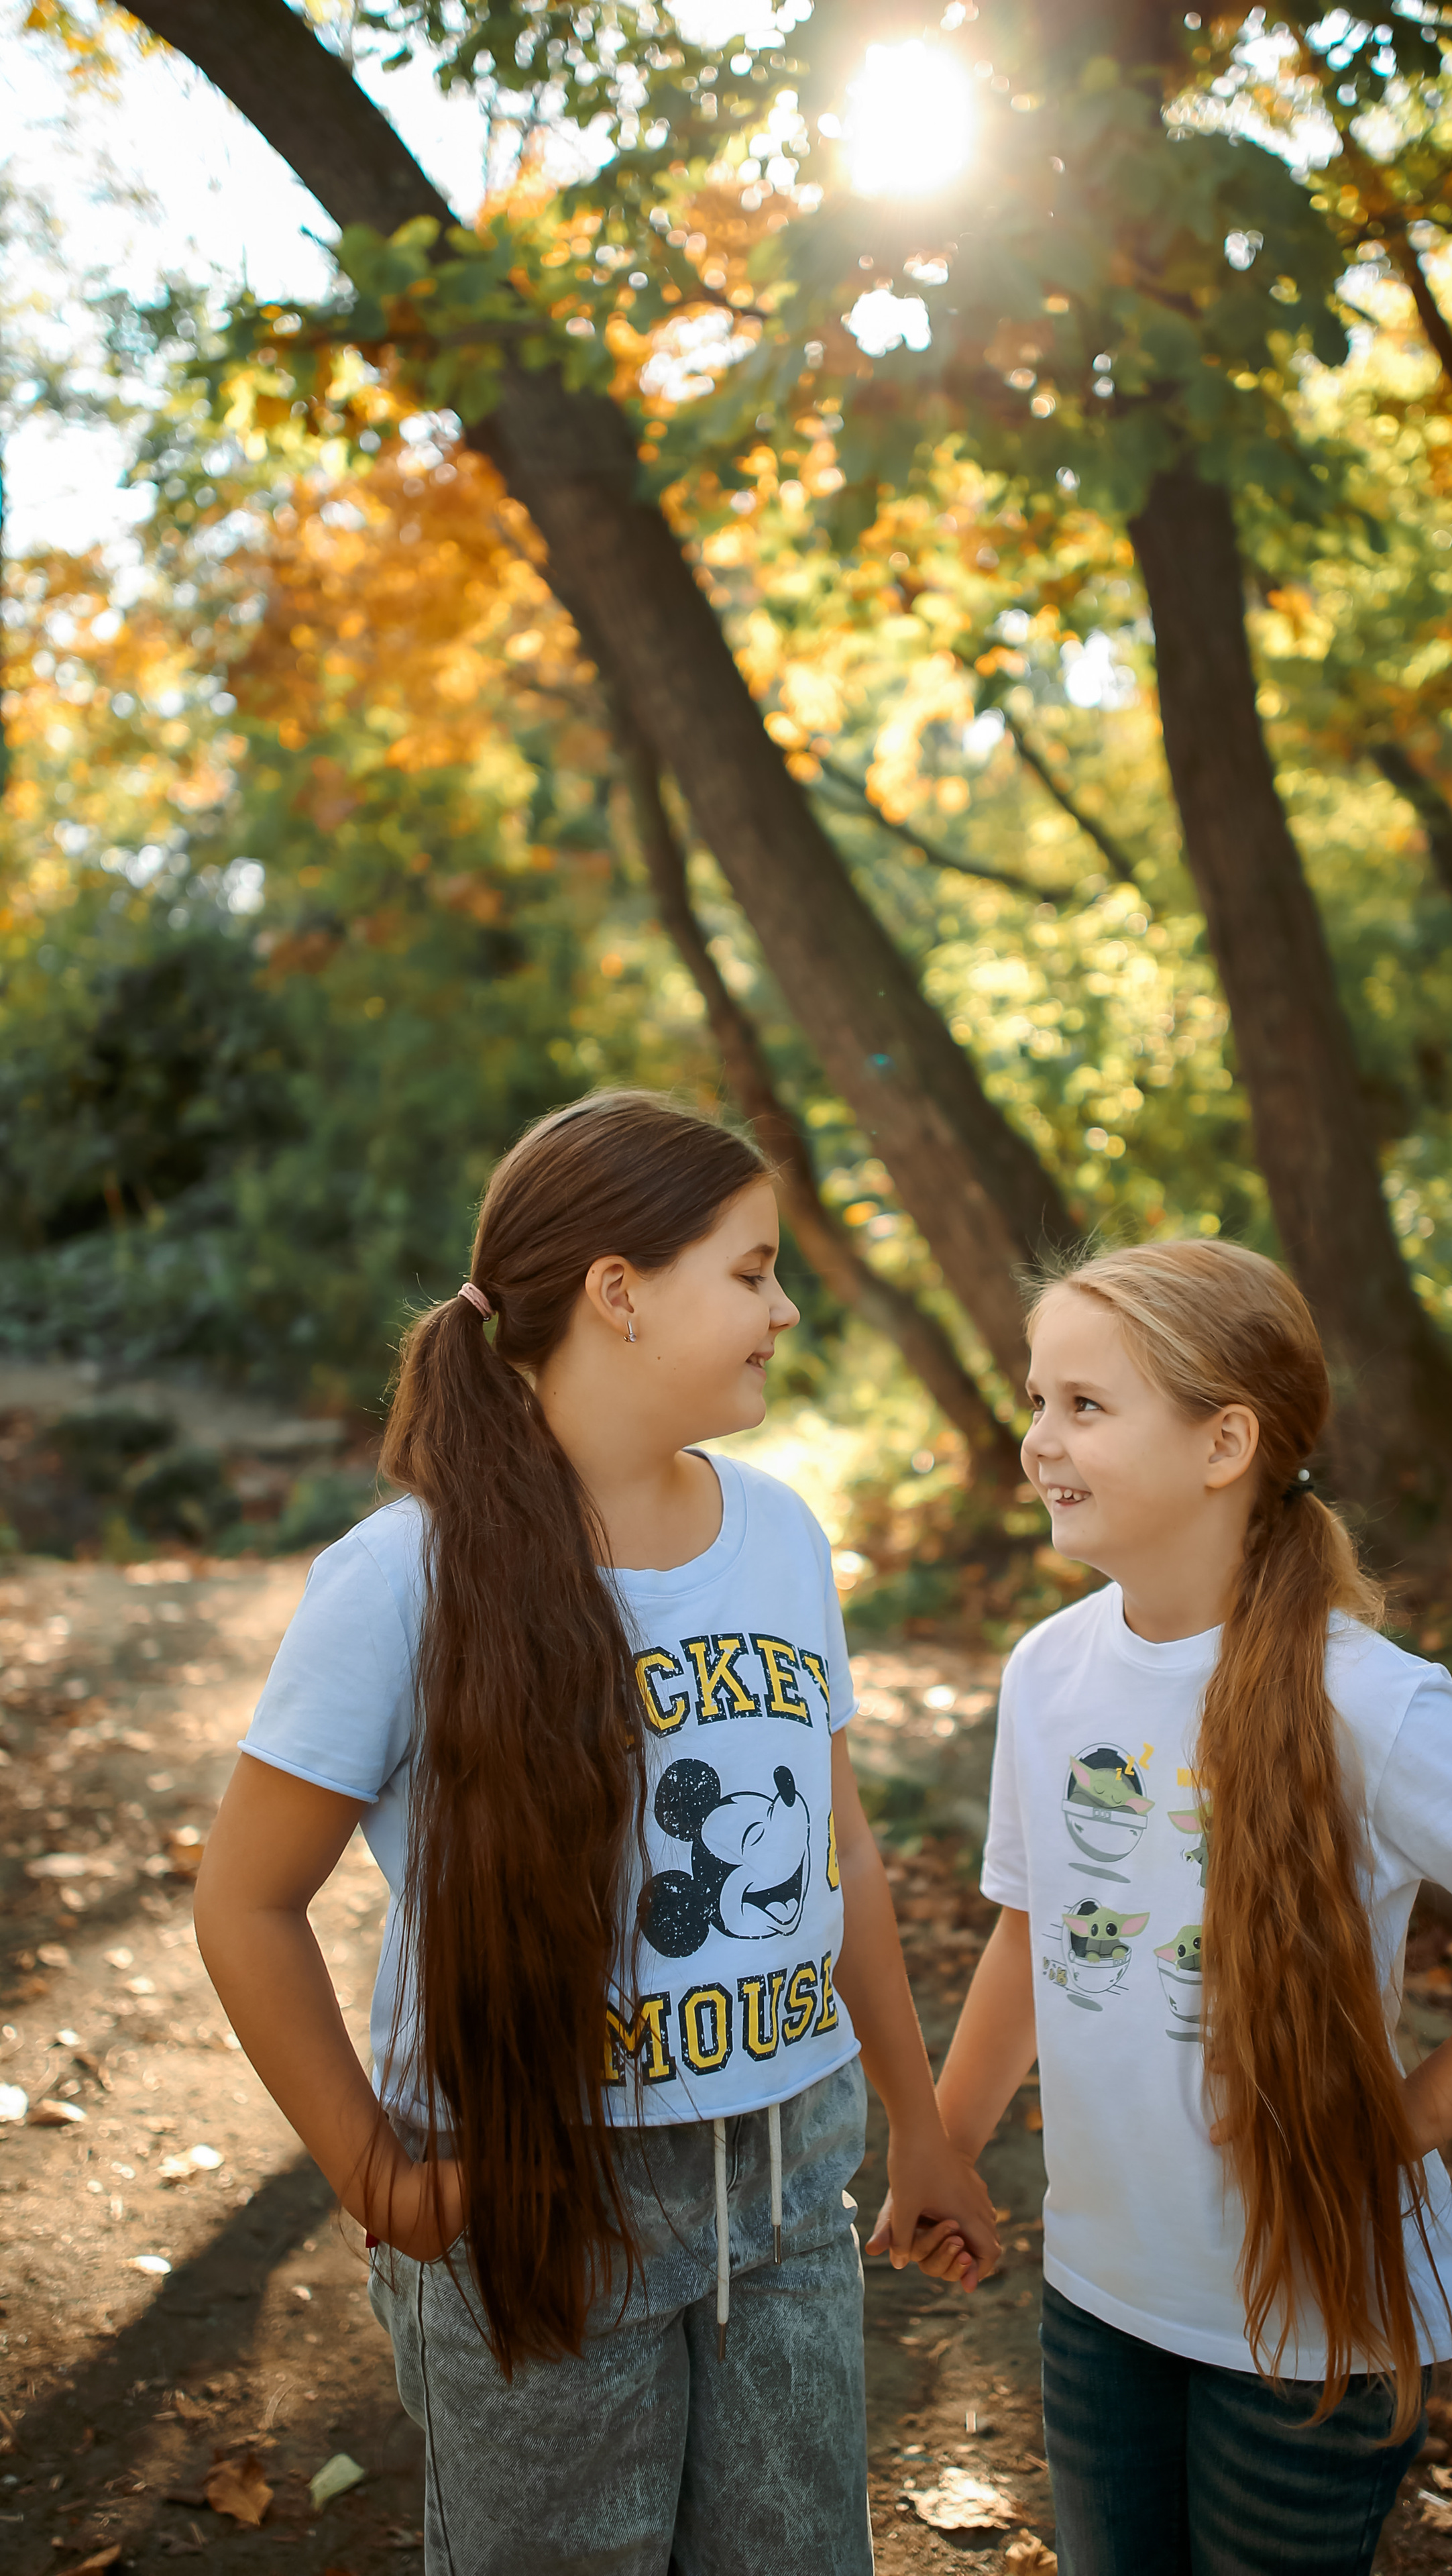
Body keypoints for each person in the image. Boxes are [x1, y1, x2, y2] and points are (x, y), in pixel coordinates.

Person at [192, 1090, 997, 2576]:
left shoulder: (781, 1536)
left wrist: (920, 2125)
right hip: (535, 2195)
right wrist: (376, 2179)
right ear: (618, 1293)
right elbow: (245, 1902)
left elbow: (840, 1852)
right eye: (751, 1272)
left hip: (784, 2183)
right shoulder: (403, 1578)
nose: (786, 1309)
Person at [886, 1239, 1452, 2576]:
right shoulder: (1047, 1671)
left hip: (1309, 2328)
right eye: (1035, 1399)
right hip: (1099, 2294)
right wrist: (946, 2142)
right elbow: (1033, 1922)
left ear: (1224, 1442)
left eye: (1085, 1405)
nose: (1037, 1440)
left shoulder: (1369, 1700)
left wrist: (1400, 2124)